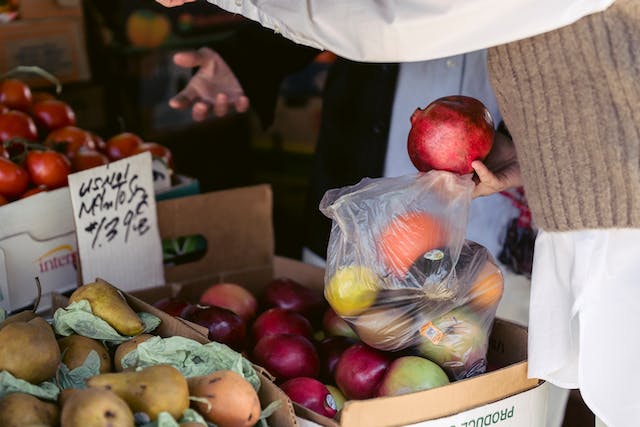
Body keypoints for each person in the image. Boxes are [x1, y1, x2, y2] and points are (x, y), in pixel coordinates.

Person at [157, 1, 638, 426]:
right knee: (351, 333)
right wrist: (250, 56)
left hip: (538, 219)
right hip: (376, 209)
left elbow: (396, 16)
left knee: (511, 381)